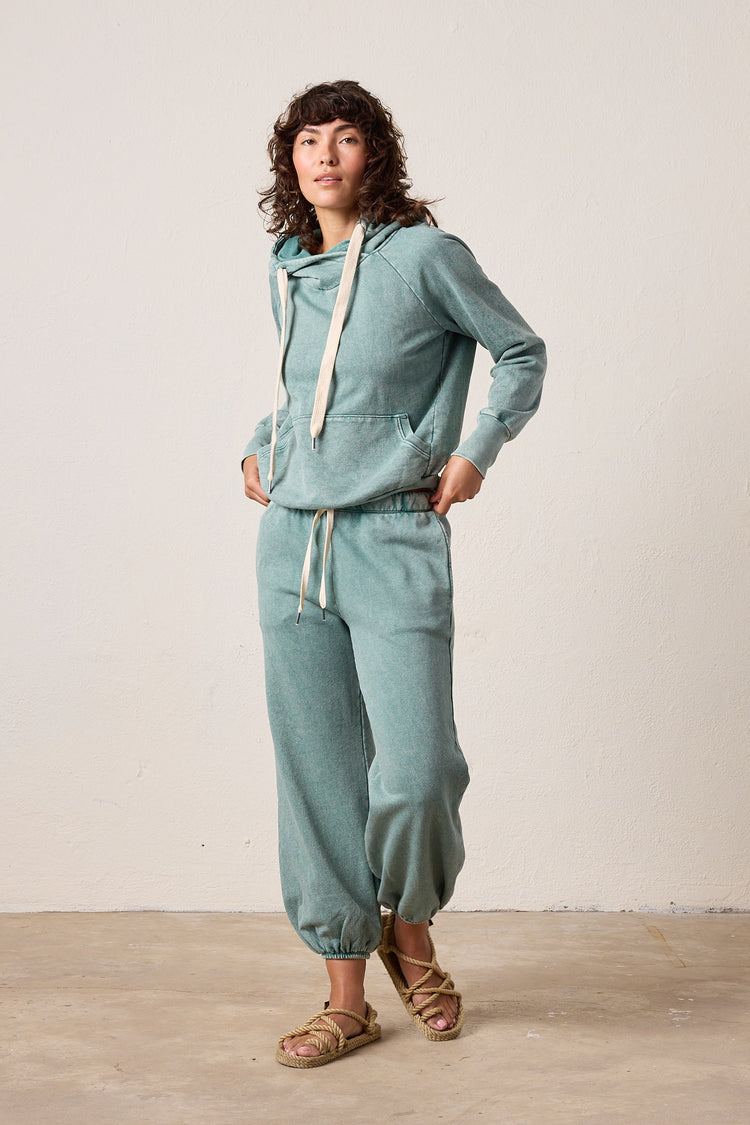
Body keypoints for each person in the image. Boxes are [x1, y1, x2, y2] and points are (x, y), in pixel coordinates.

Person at [242, 80, 546, 1068]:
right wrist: (261, 444)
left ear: (375, 153)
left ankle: (409, 929)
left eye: (346, 138)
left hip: (394, 535)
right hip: (293, 545)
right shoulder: (290, 265)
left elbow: (520, 351)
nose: (325, 156)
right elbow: (309, 386)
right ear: (290, 161)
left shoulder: (423, 256)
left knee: (417, 773)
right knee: (320, 778)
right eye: (308, 142)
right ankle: (346, 999)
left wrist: (476, 451)